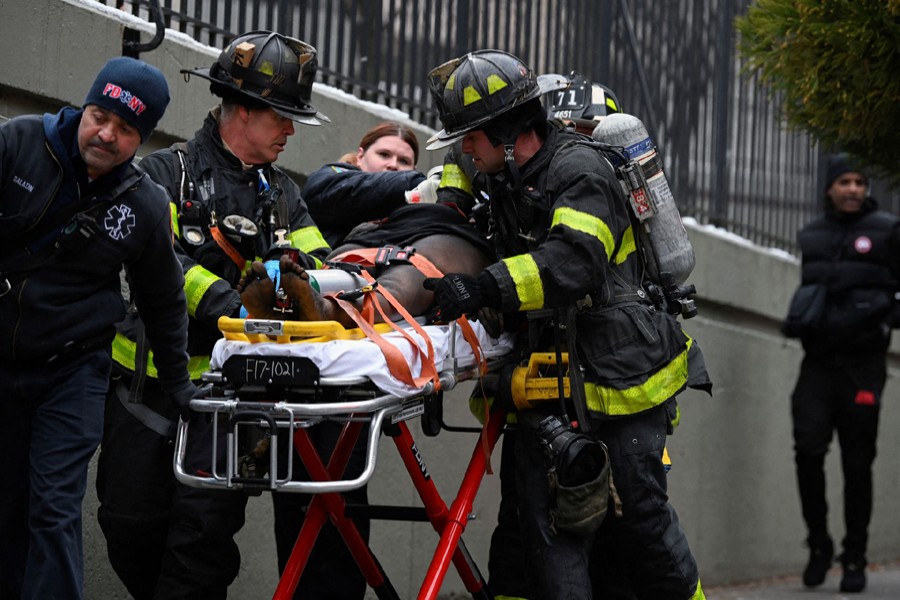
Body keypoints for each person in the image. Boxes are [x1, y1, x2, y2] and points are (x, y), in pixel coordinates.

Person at [421, 50, 708, 600]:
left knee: (642, 527)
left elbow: (573, 263)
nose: (465, 150)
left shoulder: (580, 170)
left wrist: (485, 287)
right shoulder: (507, 176)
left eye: (471, 138)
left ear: (506, 135)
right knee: (532, 539)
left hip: (618, 378)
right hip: (547, 381)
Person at [94, 32, 335, 600]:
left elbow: (319, 267)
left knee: (202, 541)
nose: (291, 130)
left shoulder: (284, 198)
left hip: (234, 400)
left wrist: (301, 280)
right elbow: (160, 262)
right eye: (283, 115)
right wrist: (231, 307)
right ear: (244, 110)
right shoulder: (161, 174)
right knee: (127, 522)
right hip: (148, 386)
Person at [0, 57, 196, 600]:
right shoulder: (16, 144)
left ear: (143, 138)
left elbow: (163, 299)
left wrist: (179, 385)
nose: (106, 134)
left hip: (73, 369)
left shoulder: (145, 204)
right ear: (83, 107)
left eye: (126, 128)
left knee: (54, 509)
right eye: (99, 115)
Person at [781, 153, 900, 594]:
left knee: (857, 464)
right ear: (829, 188)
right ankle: (819, 545)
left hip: (863, 366)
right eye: (845, 181)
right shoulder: (811, 234)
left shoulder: (888, 231)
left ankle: (855, 556)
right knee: (807, 451)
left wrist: (885, 317)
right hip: (817, 364)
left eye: (860, 182)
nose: (853, 189)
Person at [303, 120, 431, 247]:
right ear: (360, 156)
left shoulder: (417, 213)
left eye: (404, 161)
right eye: (384, 154)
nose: (393, 165)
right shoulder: (331, 177)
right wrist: (413, 182)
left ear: (414, 169)